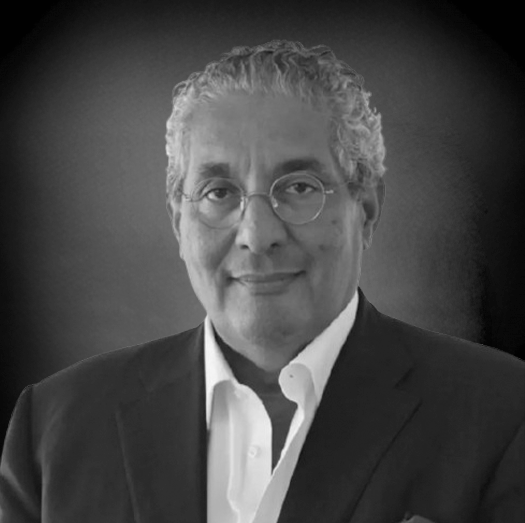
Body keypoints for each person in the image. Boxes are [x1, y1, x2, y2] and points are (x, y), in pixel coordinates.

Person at [1, 40, 524, 523]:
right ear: (178, 222)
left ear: (366, 208)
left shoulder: (503, 414)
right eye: (218, 192)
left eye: (298, 187)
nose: (256, 235)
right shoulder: (52, 431)